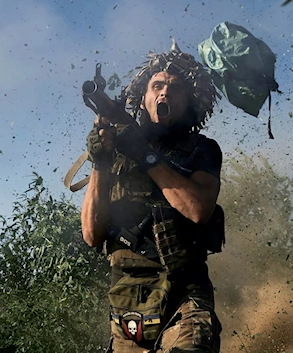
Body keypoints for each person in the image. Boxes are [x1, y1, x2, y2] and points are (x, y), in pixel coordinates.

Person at [81, 42, 224, 353]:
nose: (164, 94)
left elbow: (198, 210)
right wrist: (101, 162)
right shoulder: (117, 152)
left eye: (174, 89)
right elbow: (92, 234)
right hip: (128, 297)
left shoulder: (202, 149)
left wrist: (145, 156)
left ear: (189, 102)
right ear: (142, 98)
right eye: (157, 86)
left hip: (184, 291)